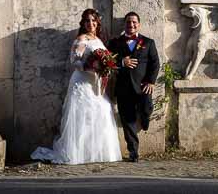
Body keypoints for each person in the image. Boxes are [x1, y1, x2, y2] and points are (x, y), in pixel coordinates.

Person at [31, 9, 122, 164]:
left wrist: (104, 67)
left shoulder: (97, 39)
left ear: (97, 23)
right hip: (82, 83)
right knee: (82, 117)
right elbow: (74, 61)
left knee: (101, 112)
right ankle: (77, 153)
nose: (91, 24)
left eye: (93, 21)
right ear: (83, 23)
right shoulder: (82, 39)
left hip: (95, 84)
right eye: (87, 21)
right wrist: (92, 67)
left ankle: (94, 153)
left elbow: (105, 59)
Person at [107, 11, 160, 162]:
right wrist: (122, 62)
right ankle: (133, 152)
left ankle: (145, 117)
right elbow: (107, 63)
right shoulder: (115, 43)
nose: (131, 25)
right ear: (124, 25)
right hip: (124, 88)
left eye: (134, 22)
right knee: (128, 120)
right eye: (128, 22)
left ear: (139, 24)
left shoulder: (148, 42)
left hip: (144, 86)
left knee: (146, 108)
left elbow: (155, 64)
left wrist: (151, 81)